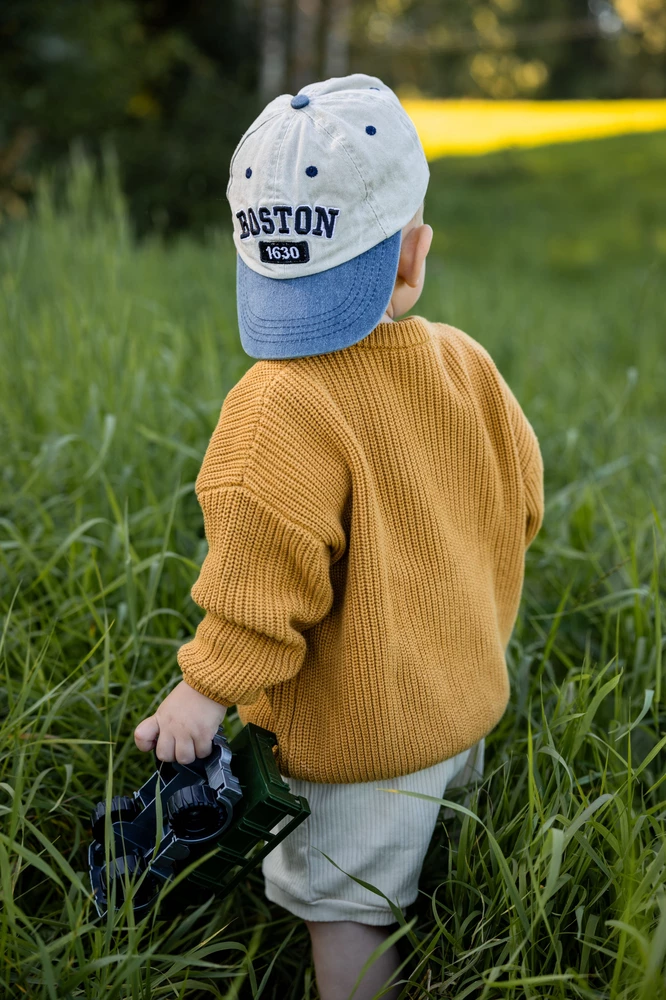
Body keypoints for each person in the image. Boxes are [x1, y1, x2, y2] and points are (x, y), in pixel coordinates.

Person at [134, 74, 544, 1000]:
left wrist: (202, 696)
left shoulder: (276, 405)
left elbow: (258, 586)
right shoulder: (467, 364)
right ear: (414, 256)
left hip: (359, 747)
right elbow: (523, 503)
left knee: (346, 910)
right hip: (463, 702)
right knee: (441, 844)